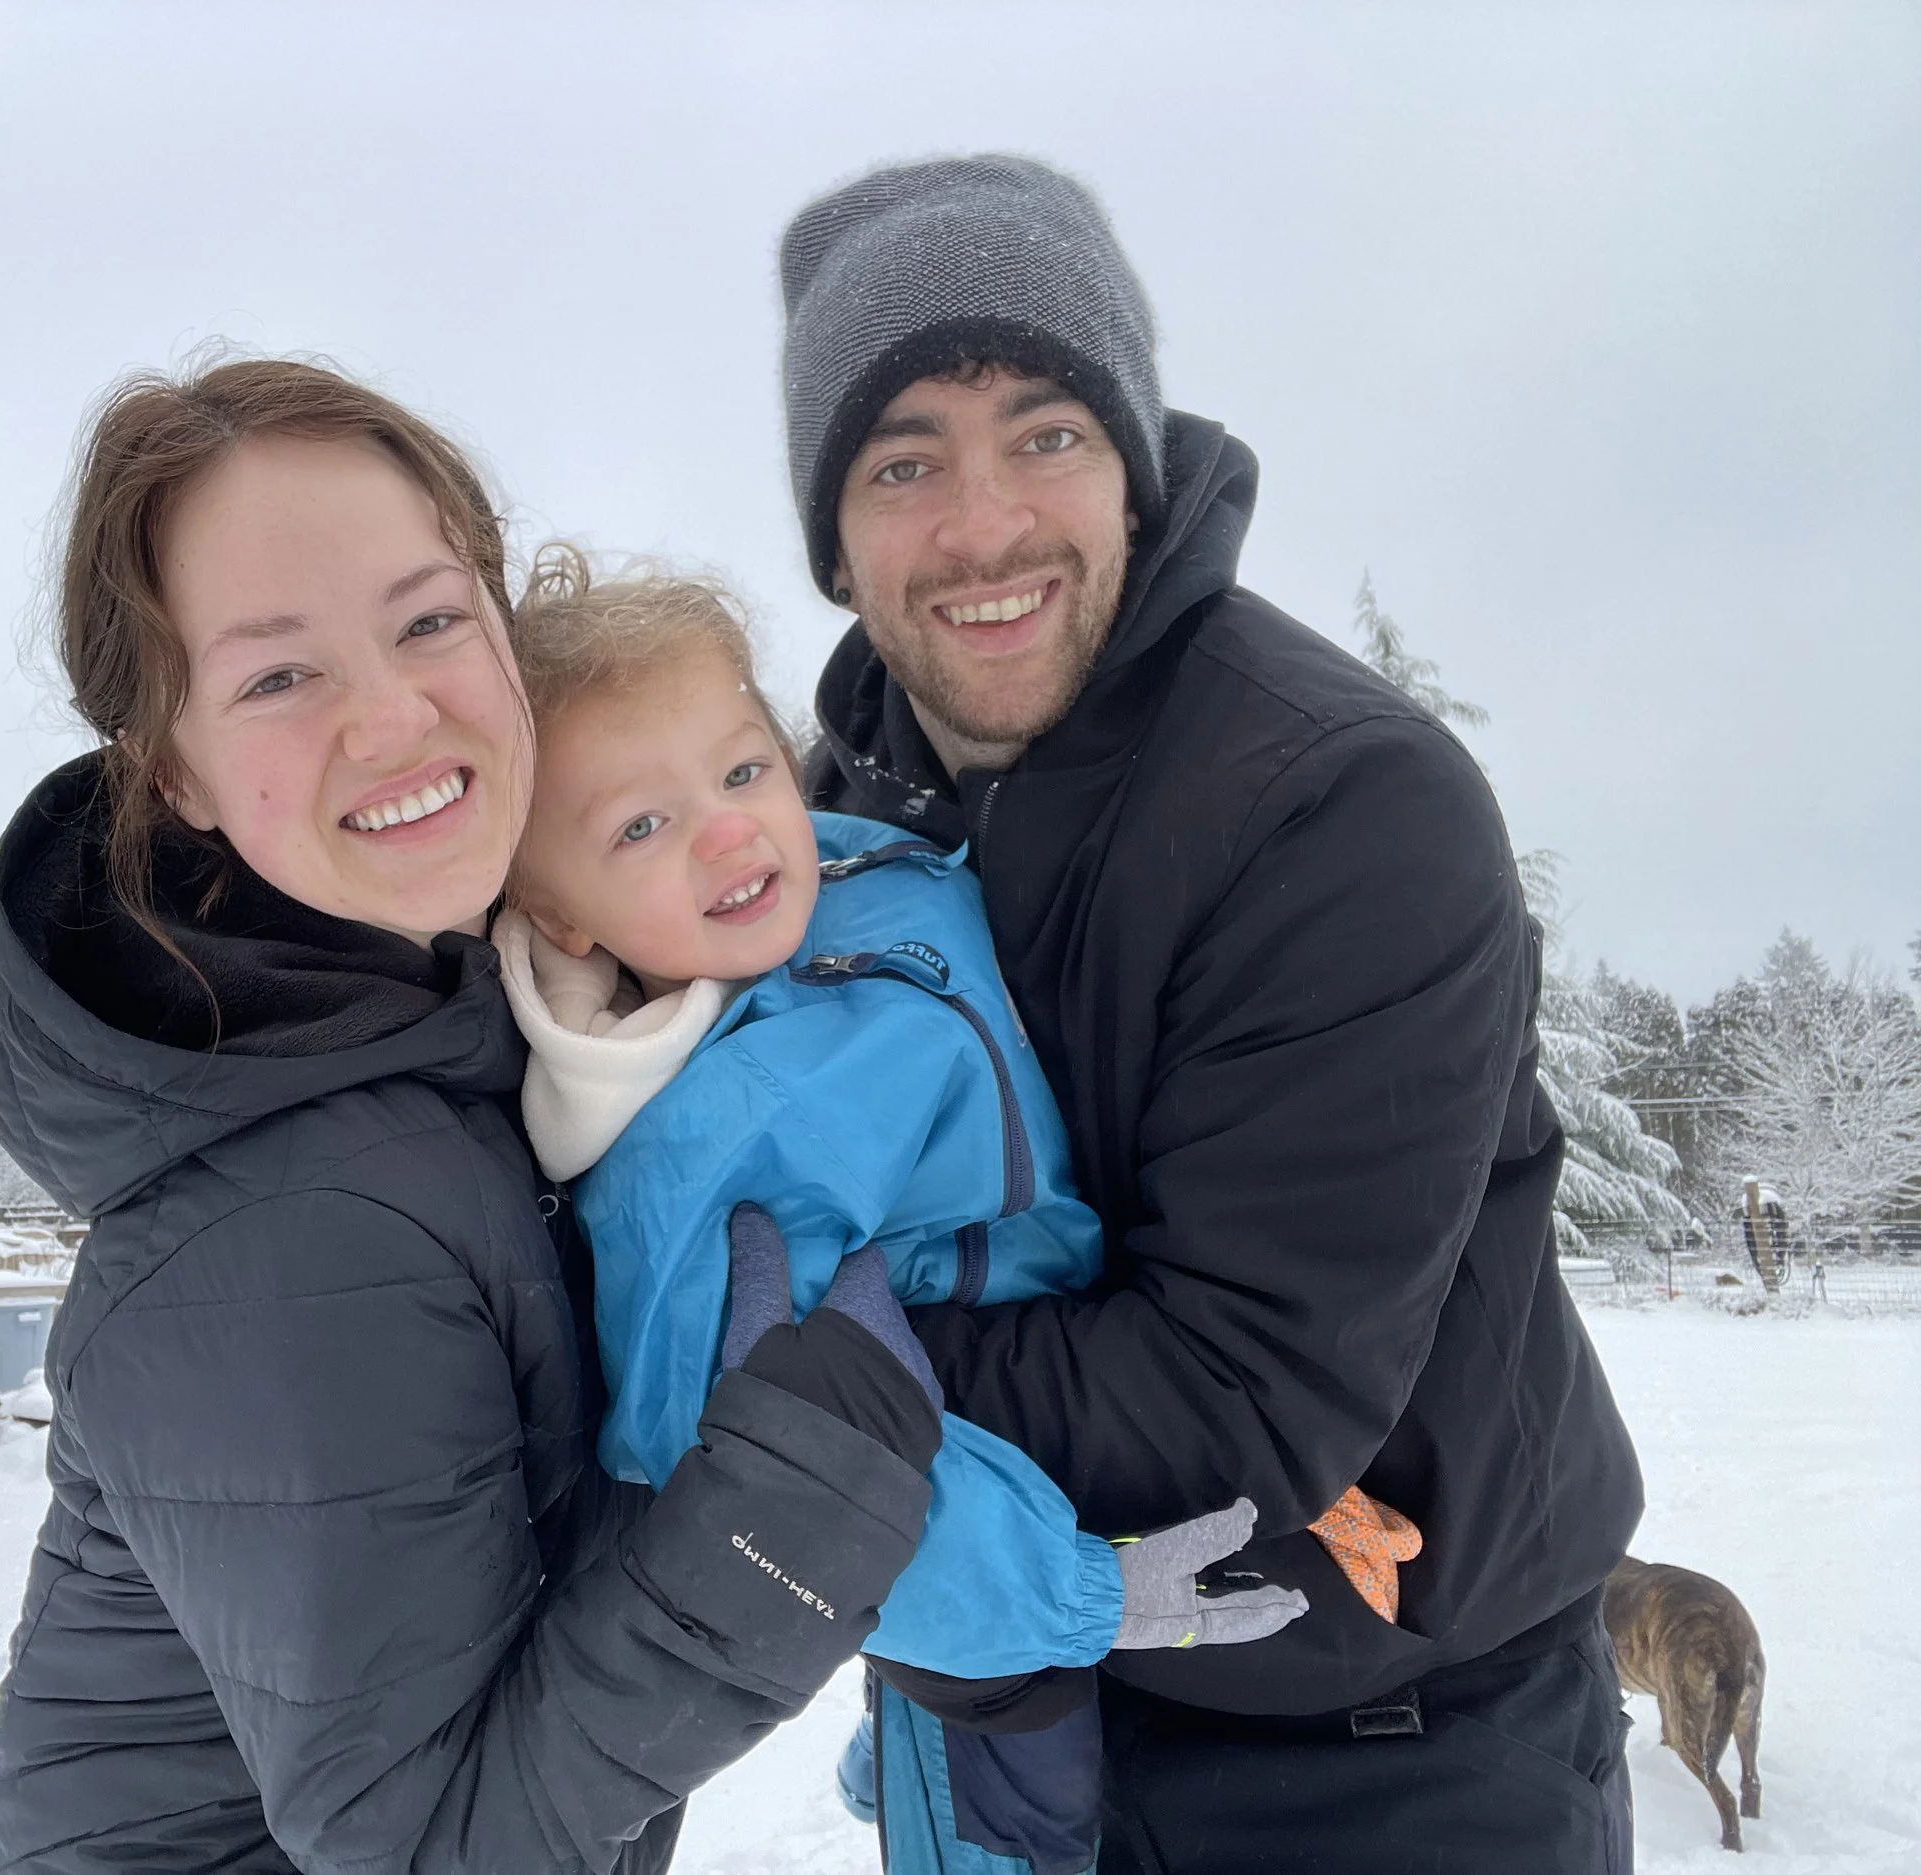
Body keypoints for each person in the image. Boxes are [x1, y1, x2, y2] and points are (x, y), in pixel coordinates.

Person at [0, 358, 951, 1874]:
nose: (393, 716)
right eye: (277, 675)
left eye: (429, 619)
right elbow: (429, 1846)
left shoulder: (446, 1019)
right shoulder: (289, 1222)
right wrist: (782, 1508)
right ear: (172, 764)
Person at [785, 155, 1644, 1872]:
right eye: (904, 460)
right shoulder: (819, 824)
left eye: (1047, 430)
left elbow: (1233, 1406)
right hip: (1003, 1702)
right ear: (834, 533)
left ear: (1134, 464)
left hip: (1373, 1754)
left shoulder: (1337, 805)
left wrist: (770, 1370)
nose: (983, 523)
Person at [488, 552, 1314, 1875]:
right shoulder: (694, 1152)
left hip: (1084, 1393)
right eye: (639, 827)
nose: (730, 831)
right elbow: (805, 1483)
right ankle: (925, 1761)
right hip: (992, 1556)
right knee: (1018, 1822)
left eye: (744, 770)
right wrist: (1074, 1593)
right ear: (559, 913)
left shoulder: (840, 893)